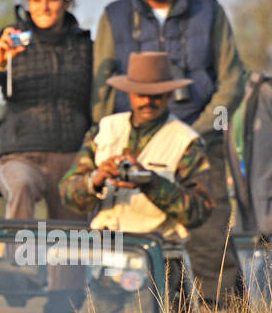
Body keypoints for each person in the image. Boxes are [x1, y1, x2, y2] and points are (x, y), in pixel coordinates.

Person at [91, 0, 245, 302]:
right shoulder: (114, 15)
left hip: (201, 144)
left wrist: (195, 132)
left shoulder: (208, 8)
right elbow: (101, 89)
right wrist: (108, 142)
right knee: (133, 250)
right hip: (138, 147)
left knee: (210, 244)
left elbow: (232, 80)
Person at [0, 0, 92, 220]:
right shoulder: (10, 39)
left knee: (70, 241)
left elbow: (98, 102)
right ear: (27, 4)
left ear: (66, 2)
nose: (43, 7)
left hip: (72, 157)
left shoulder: (85, 46)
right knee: (20, 186)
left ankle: (65, 260)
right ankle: (16, 259)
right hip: (21, 153)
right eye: (36, 0)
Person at [58, 51, 213, 240]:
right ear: (129, 94)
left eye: (156, 96)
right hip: (105, 247)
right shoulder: (104, 130)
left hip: (159, 251)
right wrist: (96, 180)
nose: (148, 102)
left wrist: (152, 183)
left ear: (169, 95)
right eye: (141, 95)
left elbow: (199, 212)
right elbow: (66, 192)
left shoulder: (187, 141)